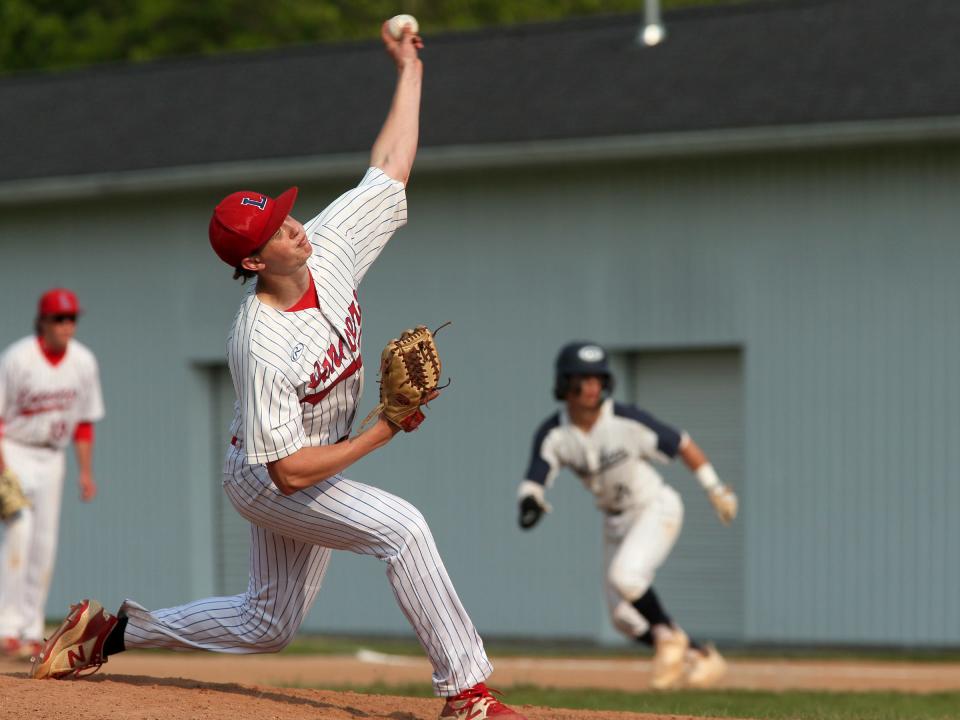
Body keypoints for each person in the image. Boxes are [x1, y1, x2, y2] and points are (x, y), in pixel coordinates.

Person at [30, 21, 525, 720]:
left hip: (309, 459)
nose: (296, 226)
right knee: (404, 529)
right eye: (279, 230)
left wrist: (408, 68)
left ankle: (112, 634)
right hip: (268, 475)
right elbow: (290, 473)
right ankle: (466, 694)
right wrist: (385, 427)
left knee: (269, 624)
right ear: (255, 263)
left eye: (287, 216)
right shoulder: (259, 342)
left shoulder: (325, 247)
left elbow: (389, 165)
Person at [516, 341, 738, 690]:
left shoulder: (625, 419)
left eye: (597, 379)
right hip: (615, 519)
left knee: (626, 576)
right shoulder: (554, 433)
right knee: (622, 618)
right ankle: (701, 656)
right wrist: (530, 499)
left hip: (655, 507)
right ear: (564, 384)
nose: (592, 387)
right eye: (582, 379)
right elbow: (537, 474)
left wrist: (716, 489)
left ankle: (669, 638)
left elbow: (681, 443)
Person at [0, 288, 104, 661]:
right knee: (20, 530)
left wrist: (86, 473)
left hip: (53, 458)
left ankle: (30, 628)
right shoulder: (17, 358)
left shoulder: (83, 362)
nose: (66, 325)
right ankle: (6, 627)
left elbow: (85, 425)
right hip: (13, 451)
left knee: (44, 542)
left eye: (71, 318)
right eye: (59, 318)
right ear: (42, 321)